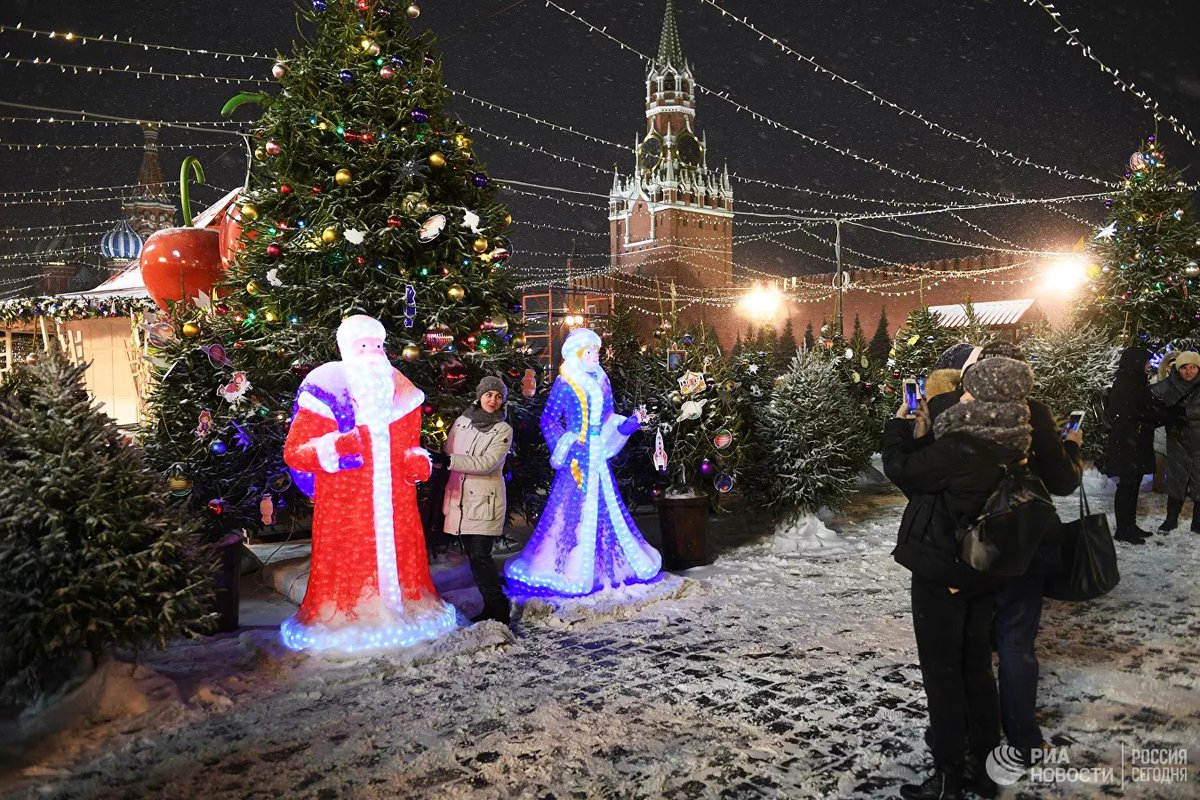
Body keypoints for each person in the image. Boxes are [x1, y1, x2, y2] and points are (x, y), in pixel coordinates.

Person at [882, 356, 1037, 800]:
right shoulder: (1013, 438)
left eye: (970, 389)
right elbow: (935, 478)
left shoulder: (964, 444)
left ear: (985, 395)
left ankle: (948, 776)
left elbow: (903, 472)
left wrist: (897, 428)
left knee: (943, 675)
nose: (962, 394)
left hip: (944, 569)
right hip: (984, 569)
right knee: (975, 669)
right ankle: (983, 770)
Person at [282, 315, 457, 651]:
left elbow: (410, 444)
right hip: (347, 508)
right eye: (364, 345)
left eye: (378, 345)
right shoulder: (327, 387)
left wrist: (417, 459)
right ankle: (355, 616)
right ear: (348, 349)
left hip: (397, 508)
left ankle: (402, 608)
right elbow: (295, 452)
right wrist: (336, 446)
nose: (373, 352)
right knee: (351, 566)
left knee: (401, 562)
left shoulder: (401, 390)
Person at [504, 328, 662, 598]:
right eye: (589, 351)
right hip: (576, 462)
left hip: (598, 458)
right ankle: (569, 565)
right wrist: (566, 443)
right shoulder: (566, 383)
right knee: (571, 513)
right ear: (578, 354)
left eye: (596, 351)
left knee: (606, 510)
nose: (594, 356)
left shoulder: (602, 380)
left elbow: (609, 416)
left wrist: (629, 425)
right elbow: (549, 419)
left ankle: (605, 565)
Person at [431, 376, 515, 625]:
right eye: (489, 395)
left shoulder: (503, 429)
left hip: (485, 499)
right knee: (475, 555)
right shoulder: (462, 422)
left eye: (498, 397)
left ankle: (498, 608)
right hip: (461, 498)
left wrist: (451, 462)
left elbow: (488, 463)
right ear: (480, 396)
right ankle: (493, 603)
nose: (493, 400)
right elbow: (449, 450)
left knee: (480, 554)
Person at [1103, 346, 1169, 543]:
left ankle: (1129, 525)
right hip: (1128, 446)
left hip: (1135, 444)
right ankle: (1123, 529)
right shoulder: (1126, 385)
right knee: (1127, 487)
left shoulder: (1136, 383)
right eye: (1146, 361)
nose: (1149, 365)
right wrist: (1160, 416)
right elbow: (1136, 412)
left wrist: (1161, 416)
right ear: (1136, 362)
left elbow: (1146, 411)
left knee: (1132, 486)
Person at [1151, 351, 1200, 533]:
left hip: (1198, 443)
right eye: (1185, 367)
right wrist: (1161, 411)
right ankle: (1171, 519)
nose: (1189, 371)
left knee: (1199, 483)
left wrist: (1183, 413)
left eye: (1193, 367)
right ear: (1178, 369)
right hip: (1177, 441)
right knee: (1176, 482)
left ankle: (1198, 521)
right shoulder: (1169, 383)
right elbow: (1151, 396)